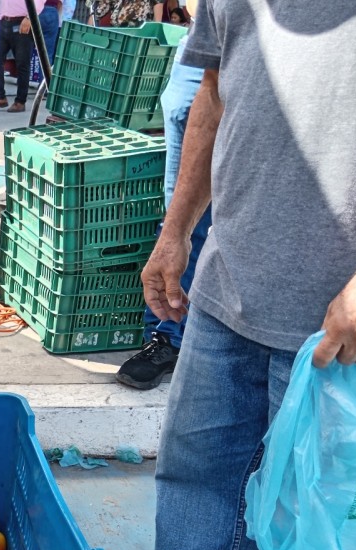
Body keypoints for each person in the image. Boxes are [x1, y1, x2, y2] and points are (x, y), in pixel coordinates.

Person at [106, 1, 356, 550]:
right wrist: (175, 233)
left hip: (353, 331)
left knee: (325, 521)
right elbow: (216, 95)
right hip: (230, 285)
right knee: (202, 474)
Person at [116, 12, 210, 390]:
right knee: (181, 216)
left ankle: (183, 333)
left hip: (272, 44)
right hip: (203, 38)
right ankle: (166, 335)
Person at [0, 0, 46, 113]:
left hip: (21, 21)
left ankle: (20, 101)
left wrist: (29, 17)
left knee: (22, 64)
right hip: (3, 21)